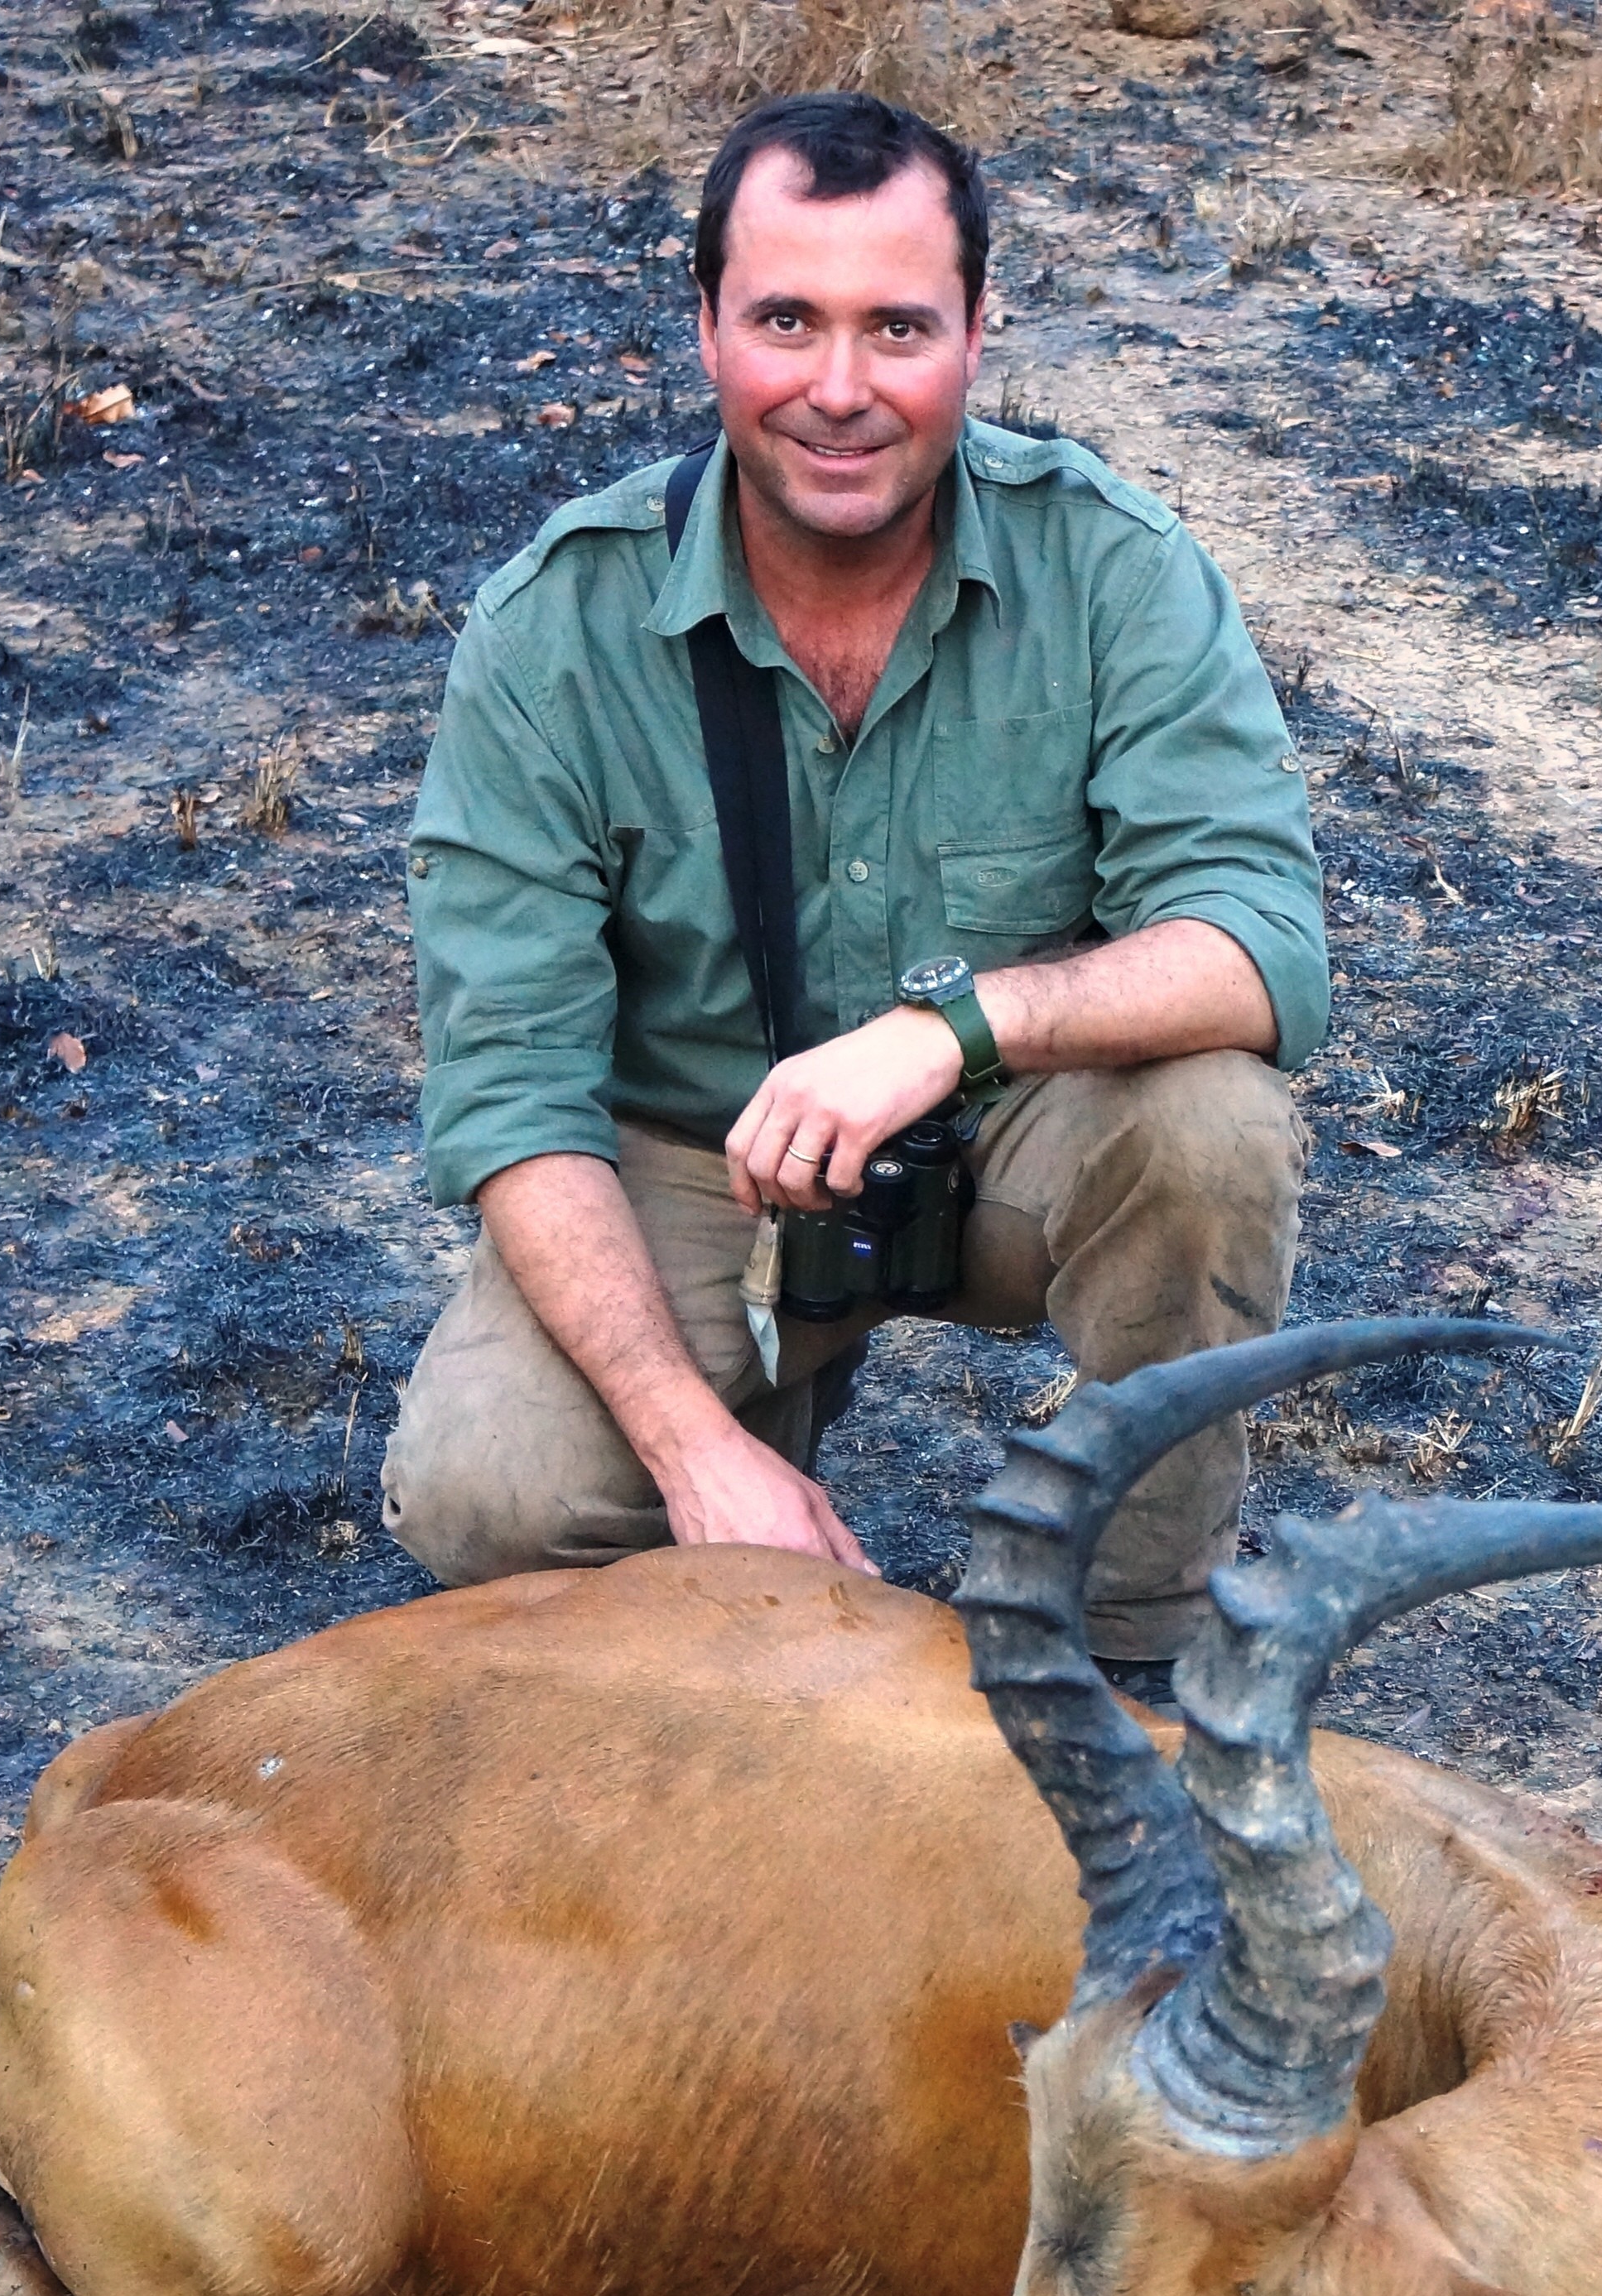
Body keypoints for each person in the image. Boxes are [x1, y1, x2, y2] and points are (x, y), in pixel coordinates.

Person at [382, 91, 1325, 1664]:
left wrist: (948, 1032)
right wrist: (693, 1446)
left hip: (1017, 1133)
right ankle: (755, 1458)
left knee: (1214, 1122)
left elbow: (1261, 951)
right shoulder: (554, 628)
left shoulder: (1116, 566)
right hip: (699, 1157)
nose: (838, 389)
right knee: (495, 1501)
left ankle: (1125, 1648)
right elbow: (512, 1098)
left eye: (897, 327)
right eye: (784, 320)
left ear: (975, 330)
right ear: (703, 328)